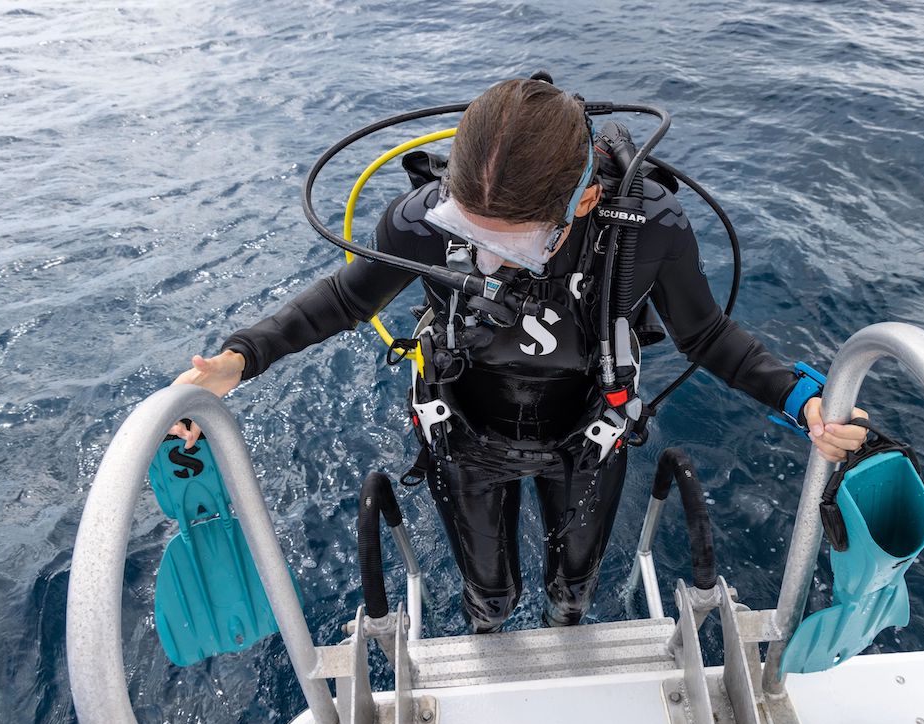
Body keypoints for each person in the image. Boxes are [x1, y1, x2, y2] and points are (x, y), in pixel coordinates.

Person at [171, 77, 867, 633]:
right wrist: (239, 360)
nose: (484, 259)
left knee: (572, 595)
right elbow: (345, 301)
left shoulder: (648, 227)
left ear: (586, 199)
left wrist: (800, 398)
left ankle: (564, 633)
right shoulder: (418, 218)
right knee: (490, 597)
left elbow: (706, 336)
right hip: (464, 432)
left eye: (513, 244)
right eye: (465, 231)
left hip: (591, 435)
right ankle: (491, 633)